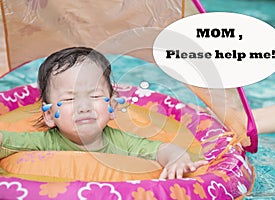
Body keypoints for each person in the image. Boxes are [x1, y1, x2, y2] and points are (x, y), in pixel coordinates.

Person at [0, 47, 207, 179]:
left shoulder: (122, 143)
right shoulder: (44, 143)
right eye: (70, 99)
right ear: (48, 116)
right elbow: (5, 142)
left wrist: (176, 159)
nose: (84, 107)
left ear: (113, 107)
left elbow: (164, 149)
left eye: (95, 96)